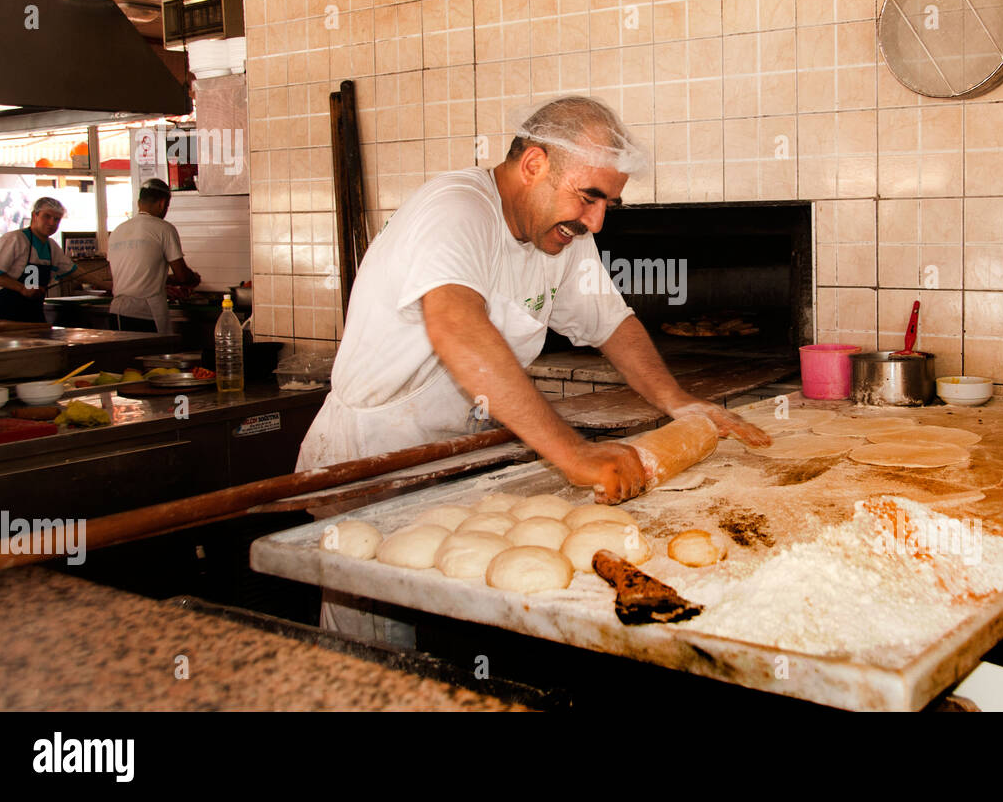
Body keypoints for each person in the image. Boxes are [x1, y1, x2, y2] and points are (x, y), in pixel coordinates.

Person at [297, 96, 770, 642]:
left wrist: (678, 403)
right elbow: (456, 325)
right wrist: (573, 452)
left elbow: (612, 322)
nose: (595, 220)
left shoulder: (561, 237)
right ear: (533, 165)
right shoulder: (455, 210)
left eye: (607, 204)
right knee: (378, 641)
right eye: (589, 197)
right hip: (374, 459)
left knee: (459, 622)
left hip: (460, 456)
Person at [106, 179, 201, 333]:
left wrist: (161, 281)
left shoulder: (117, 231)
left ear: (138, 203)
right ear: (162, 204)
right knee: (152, 356)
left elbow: (119, 274)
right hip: (146, 314)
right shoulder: (164, 229)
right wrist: (194, 279)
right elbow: (182, 276)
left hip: (117, 312)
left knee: (125, 356)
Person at [0, 197, 77, 323]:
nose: (51, 223)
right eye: (47, 216)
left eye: (56, 219)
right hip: (6, 311)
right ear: (34, 215)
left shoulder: (51, 246)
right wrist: (22, 288)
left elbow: (73, 270)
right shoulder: (14, 239)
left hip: (34, 311)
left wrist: (108, 285)